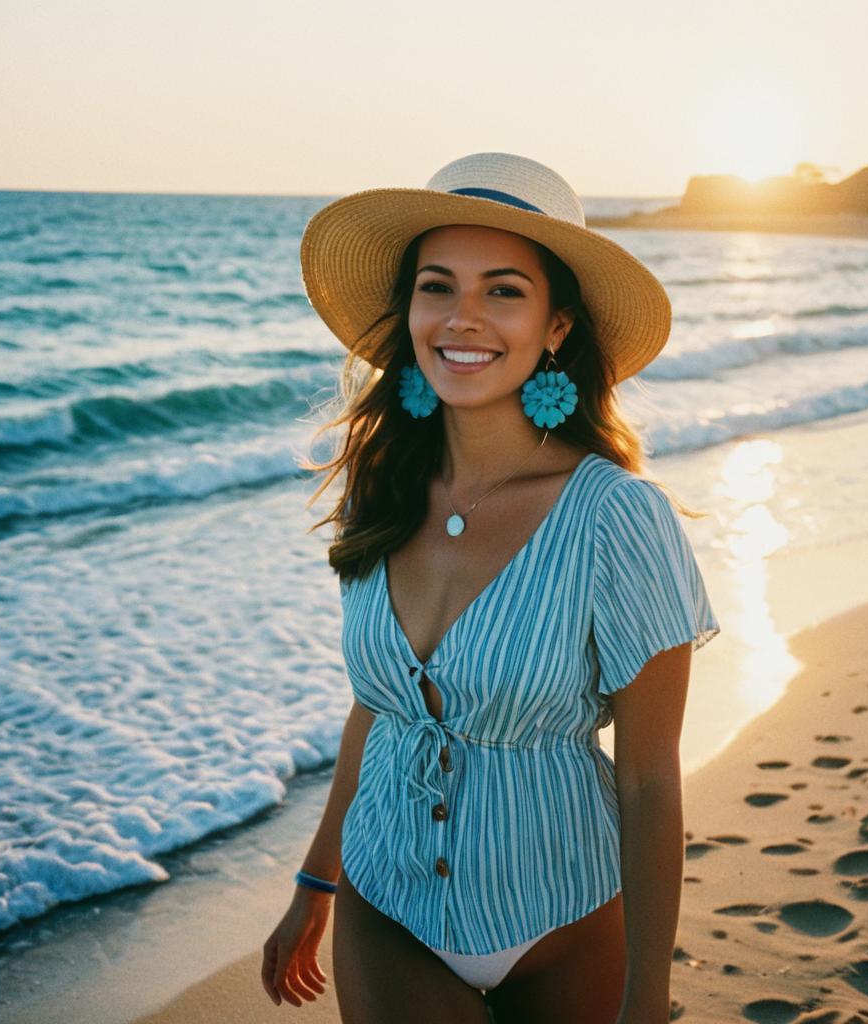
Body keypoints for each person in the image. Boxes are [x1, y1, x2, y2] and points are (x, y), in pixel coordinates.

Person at [260, 152, 720, 1023]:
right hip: (383, 900)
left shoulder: (616, 517)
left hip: (566, 917)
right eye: (438, 286)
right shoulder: (380, 490)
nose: (463, 318)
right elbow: (381, 710)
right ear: (409, 311)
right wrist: (315, 881)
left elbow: (652, 778)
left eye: (503, 290)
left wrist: (646, 1001)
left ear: (556, 328)